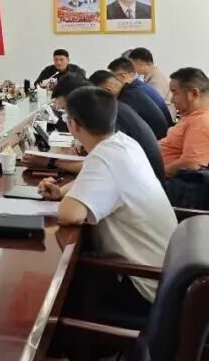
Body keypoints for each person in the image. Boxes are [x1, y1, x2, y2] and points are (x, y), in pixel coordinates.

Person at [38, 87, 176, 310]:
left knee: (59, 288)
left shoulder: (104, 157)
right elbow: (99, 179)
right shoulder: (123, 143)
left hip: (143, 285)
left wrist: (68, 200)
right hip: (166, 275)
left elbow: (70, 215)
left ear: (73, 124)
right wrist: (61, 192)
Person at [31, 75, 164, 183]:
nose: (68, 116)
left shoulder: (109, 116)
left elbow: (98, 167)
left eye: (66, 109)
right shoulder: (109, 109)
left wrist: (51, 162)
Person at [159, 67, 209, 178]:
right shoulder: (195, 115)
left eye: (175, 93)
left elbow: (190, 164)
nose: (172, 100)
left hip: (160, 180)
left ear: (194, 93)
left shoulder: (203, 122)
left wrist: (153, 175)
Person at [89, 70, 170, 140]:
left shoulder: (126, 100)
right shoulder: (132, 91)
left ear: (107, 90)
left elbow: (119, 133)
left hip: (158, 144)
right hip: (158, 140)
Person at [107, 57, 173, 127]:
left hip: (160, 133)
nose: (112, 81)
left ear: (122, 76)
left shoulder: (133, 92)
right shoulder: (139, 86)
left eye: (113, 77)